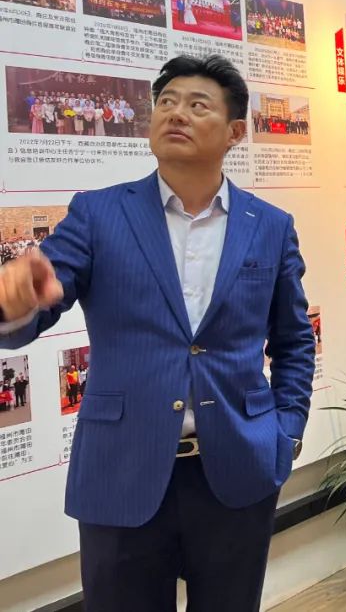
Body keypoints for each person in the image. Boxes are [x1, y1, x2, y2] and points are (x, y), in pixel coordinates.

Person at [0, 54, 315, 612]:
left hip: (237, 471)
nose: (176, 113)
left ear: (235, 132)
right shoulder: (98, 214)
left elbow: (293, 342)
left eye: (197, 105)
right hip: (122, 470)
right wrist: (15, 303)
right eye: (166, 102)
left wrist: (285, 434)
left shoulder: (269, 226)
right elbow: (35, 309)